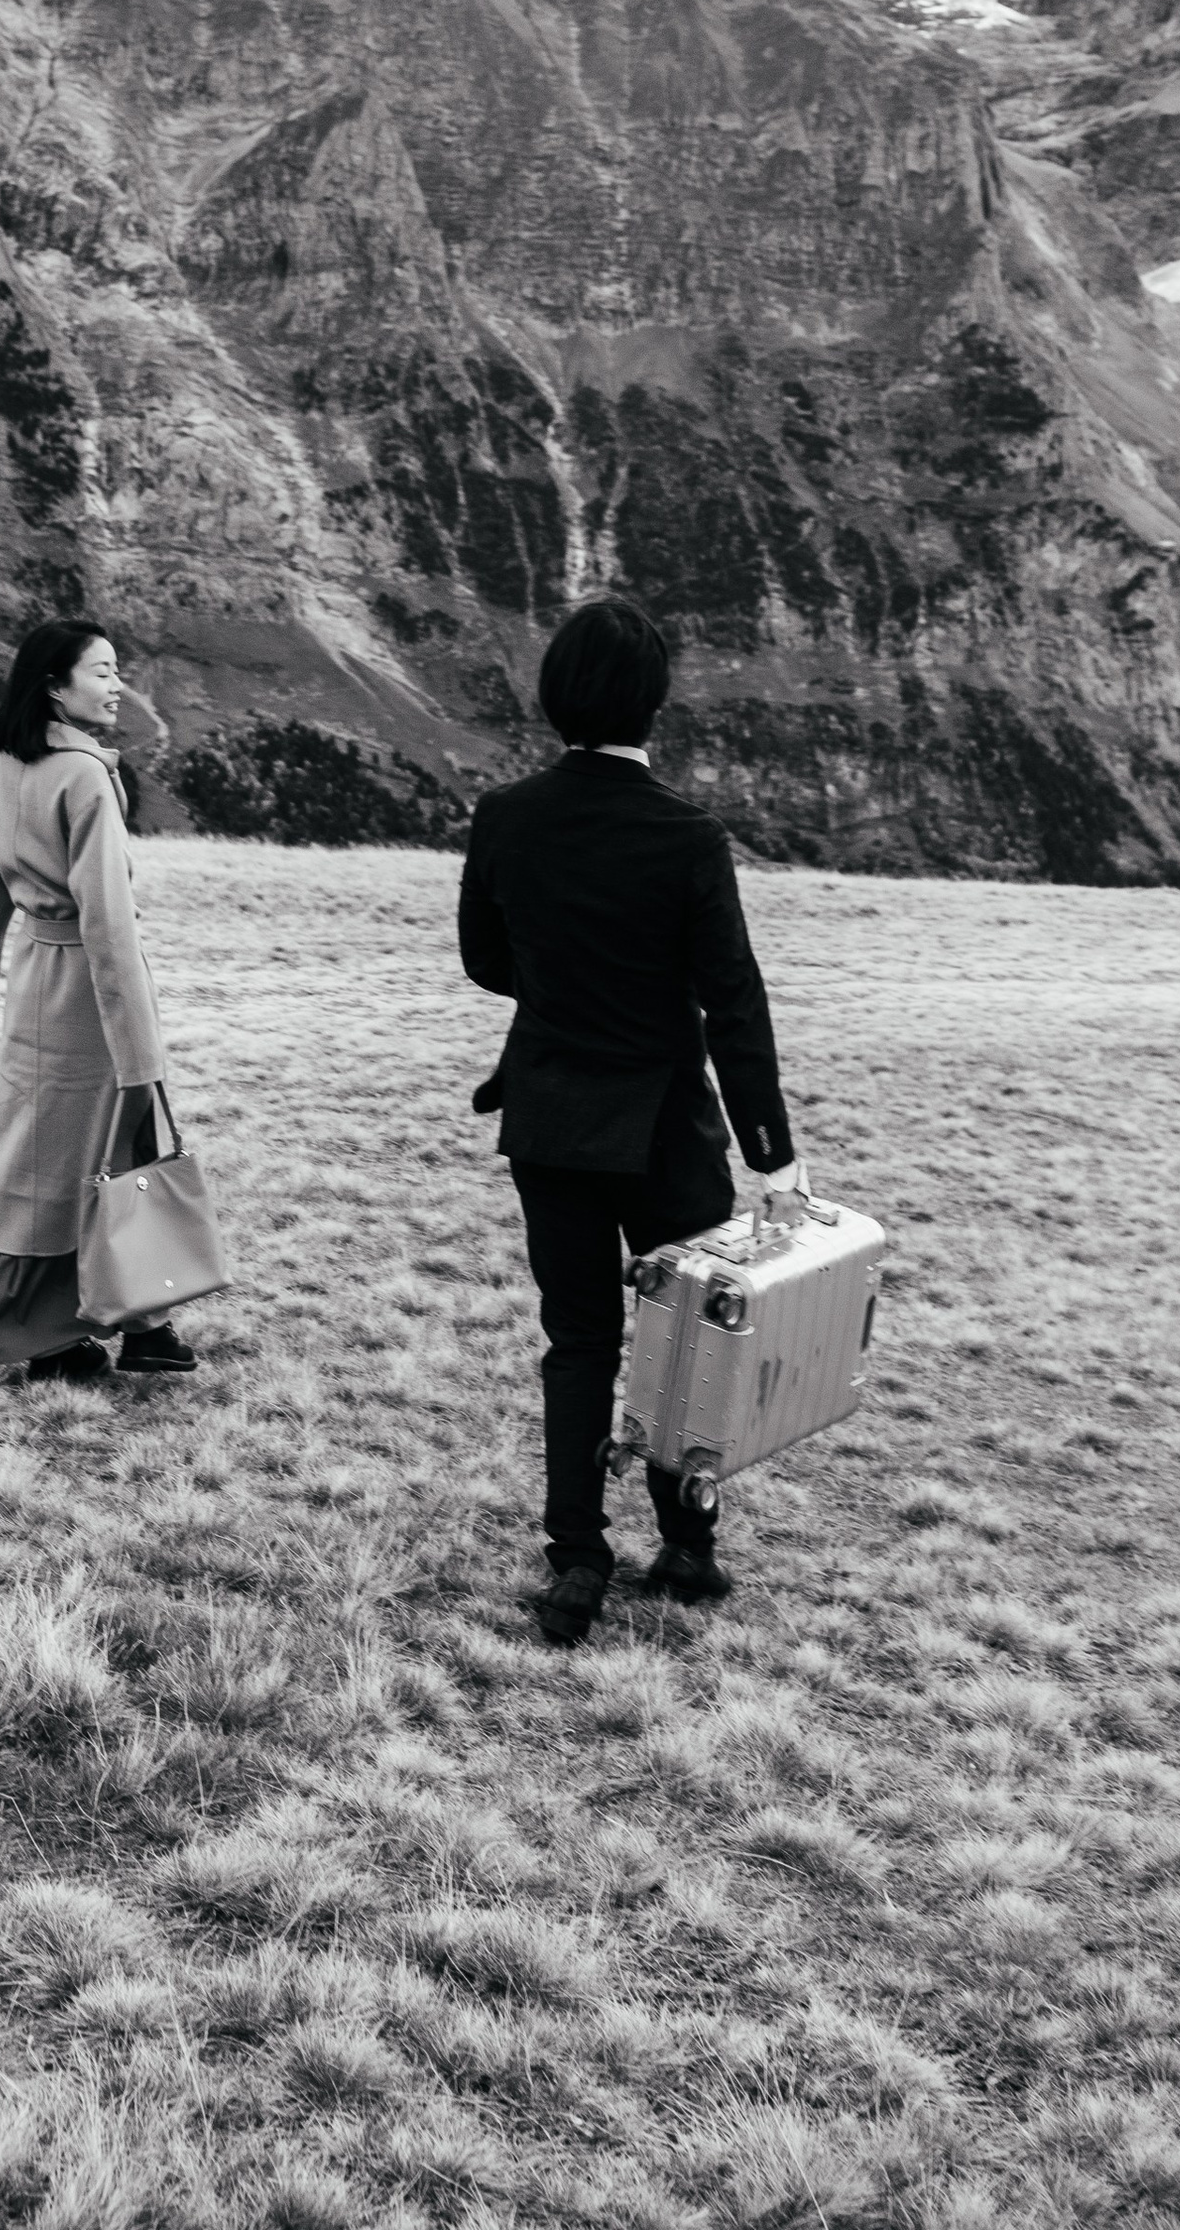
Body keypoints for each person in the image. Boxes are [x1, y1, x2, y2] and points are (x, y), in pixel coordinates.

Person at [459, 592, 800, 1649]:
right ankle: (686, 1544)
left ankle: (575, 1559)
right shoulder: (688, 837)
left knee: (577, 1340)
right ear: (654, 705)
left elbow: (482, 962)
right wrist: (773, 1160)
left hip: (552, 1117)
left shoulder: (507, 817)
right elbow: (733, 1002)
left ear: (556, 696)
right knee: (689, 1344)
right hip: (667, 1130)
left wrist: (556, 990)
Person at [0, 619, 198, 1387]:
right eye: (104, 671)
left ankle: (89, 1330)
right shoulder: (85, 775)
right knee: (130, 1147)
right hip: (92, 989)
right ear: (56, 684)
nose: (117, 684)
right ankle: (137, 1324)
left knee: (38, 1161)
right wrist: (138, 1048)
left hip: (34, 981)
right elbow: (108, 921)